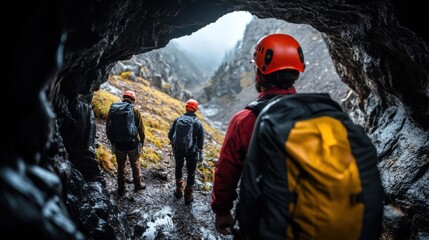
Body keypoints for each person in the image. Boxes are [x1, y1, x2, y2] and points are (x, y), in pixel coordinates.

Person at [211, 33, 305, 235]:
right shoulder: (317, 115)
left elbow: (226, 171)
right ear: (296, 74)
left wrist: (222, 210)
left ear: (259, 74)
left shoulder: (244, 120)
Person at [106, 90, 146, 196]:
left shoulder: (114, 109)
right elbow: (141, 129)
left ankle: (121, 188)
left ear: (124, 97)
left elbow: (108, 127)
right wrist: (141, 141)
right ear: (133, 100)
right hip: (132, 143)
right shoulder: (135, 110)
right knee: (135, 164)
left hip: (118, 144)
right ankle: (137, 184)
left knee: (121, 166)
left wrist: (112, 141)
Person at [168, 99, 205, 204]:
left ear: (186, 107)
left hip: (178, 149)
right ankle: (188, 196)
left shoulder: (177, 120)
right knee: (191, 173)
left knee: (178, 167)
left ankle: (178, 190)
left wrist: (175, 143)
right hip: (192, 151)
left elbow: (170, 135)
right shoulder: (197, 123)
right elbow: (201, 141)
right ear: (195, 109)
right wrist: (199, 149)